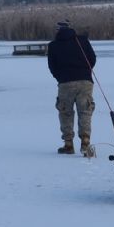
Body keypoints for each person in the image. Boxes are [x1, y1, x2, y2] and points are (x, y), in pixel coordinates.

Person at [47, 20, 96, 156]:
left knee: (65, 112)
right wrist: (86, 72)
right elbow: (92, 59)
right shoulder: (82, 41)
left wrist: (60, 77)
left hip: (65, 82)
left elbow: (52, 66)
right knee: (85, 110)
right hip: (85, 81)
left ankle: (68, 144)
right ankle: (85, 141)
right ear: (70, 29)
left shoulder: (53, 45)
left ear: (57, 30)